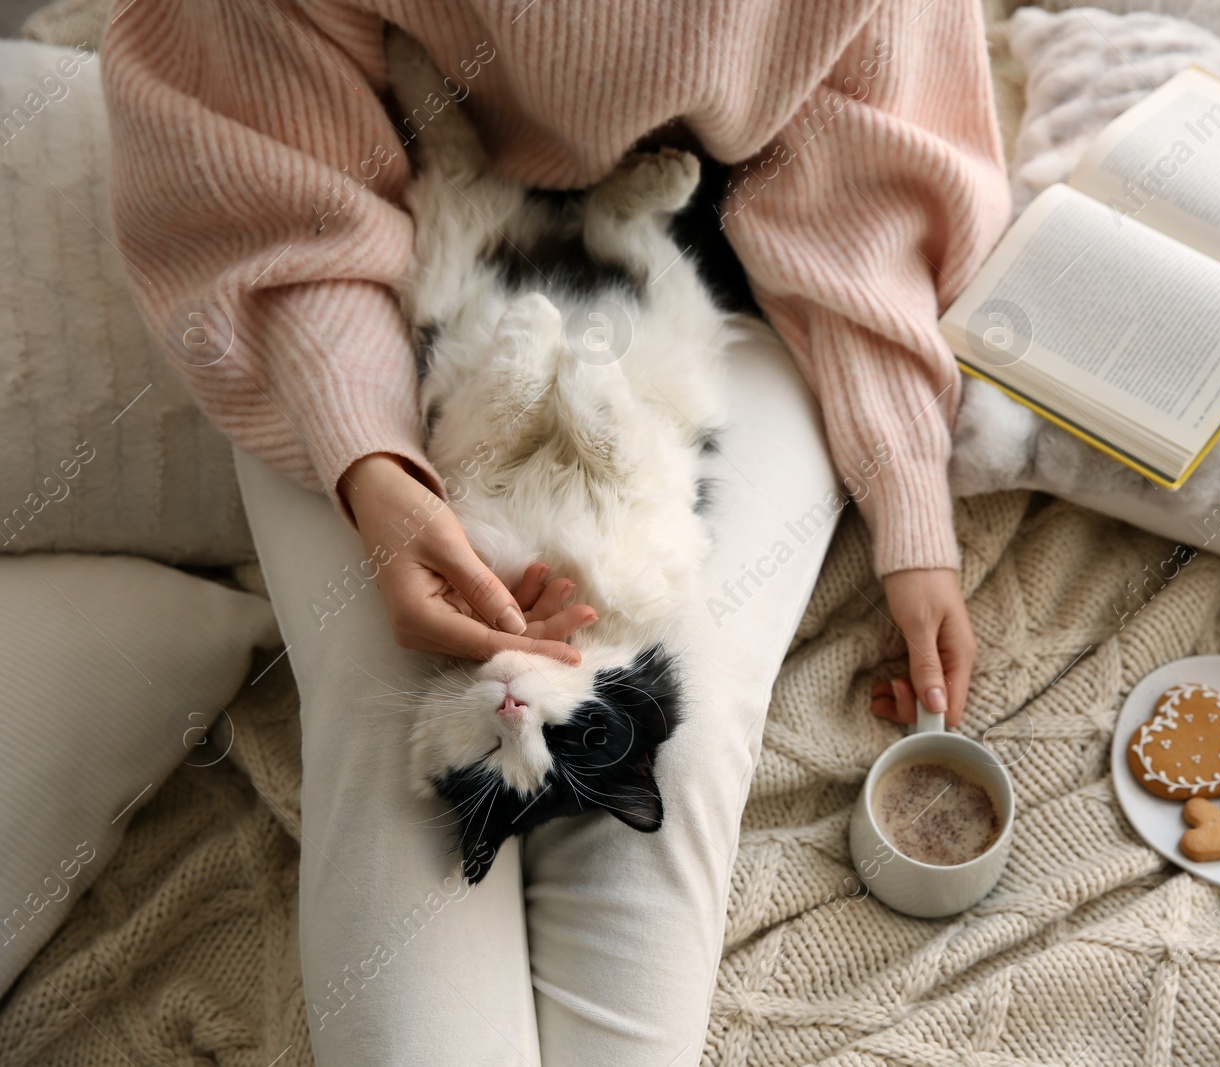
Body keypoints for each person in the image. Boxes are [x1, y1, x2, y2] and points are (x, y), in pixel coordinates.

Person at [102, 2, 1010, 1063]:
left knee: (683, 735)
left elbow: (863, 185)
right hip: (371, 248)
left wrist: (909, 506)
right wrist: (371, 465)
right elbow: (260, 155)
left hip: (713, 264)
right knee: (383, 737)